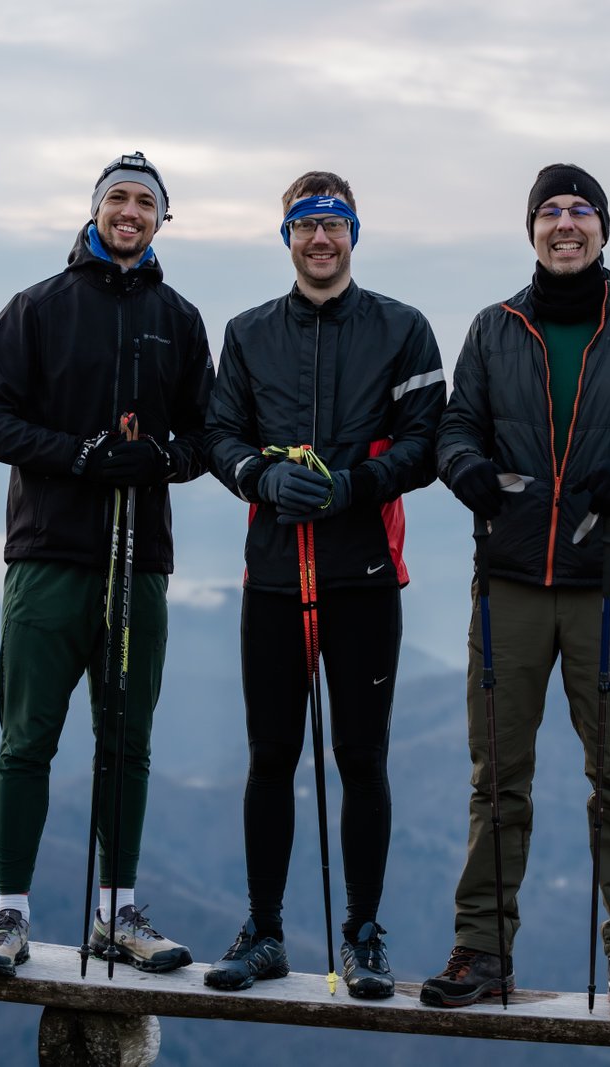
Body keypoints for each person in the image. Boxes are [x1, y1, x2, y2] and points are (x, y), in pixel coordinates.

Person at [420, 164, 610, 1021]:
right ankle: (483, 951)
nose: (566, 224)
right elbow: (457, 424)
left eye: (581, 210)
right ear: (532, 230)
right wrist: (463, 466)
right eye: (551, 211)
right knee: (497, 779)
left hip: (606, 583)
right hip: (507, 581)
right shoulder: (493, 328)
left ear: (605, 230)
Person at [0, 152, 213, 977]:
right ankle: (10, 916)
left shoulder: (179, 318)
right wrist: (80, 457)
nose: (129, 212)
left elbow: (207, 436)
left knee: (126, 742)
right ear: (94, 211)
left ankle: (117, 912)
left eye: (144, 202)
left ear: (162, 219)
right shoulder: (37, 308)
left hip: (141, 562)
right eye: (117, 200)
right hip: (47, 557)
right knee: (25, 739)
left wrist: (162, 459)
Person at [201, 171, 445, 999]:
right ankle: (264, 931)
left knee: (360, 757)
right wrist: (258, 479)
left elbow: (427, 442)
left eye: (333, 224)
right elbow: (218, 432)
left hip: (365, 571)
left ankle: (364, 937)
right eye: (304, 225)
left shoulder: (403, 329)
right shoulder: (246, 333)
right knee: (271, 755)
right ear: (286, 240)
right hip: (274, 574)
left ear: (354, 234)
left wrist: (352, 488)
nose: (319, 238)